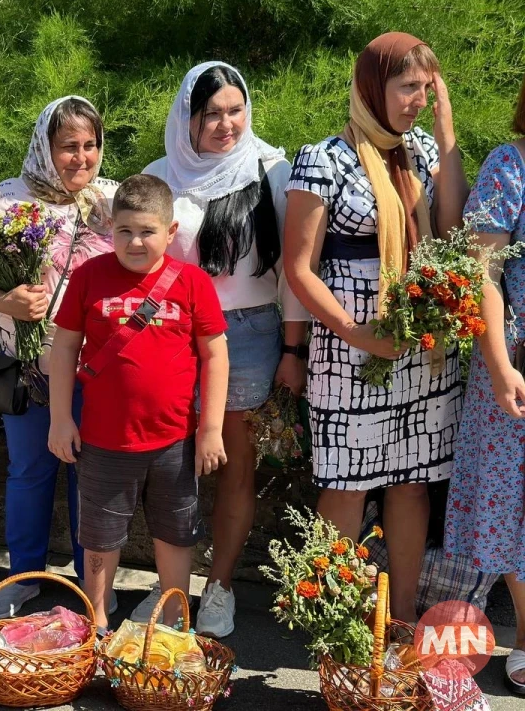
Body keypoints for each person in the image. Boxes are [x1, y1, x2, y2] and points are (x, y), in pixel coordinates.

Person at [283, 33, 468, 621]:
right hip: (350, 351)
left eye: (425, 86)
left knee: (412, 484)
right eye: (407, 85)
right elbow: (299, 268)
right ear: (372, 86)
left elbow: (451, 223)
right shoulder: (324, 159)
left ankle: (403, 617)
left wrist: (446, 136)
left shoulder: (419, 152)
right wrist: (357, 333)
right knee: (347, 485)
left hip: (419, 349)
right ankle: (334, 621)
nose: (418, 98)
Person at [141, 61, 308, 637]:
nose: (224, 123)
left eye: (234, 110)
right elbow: (143, 270)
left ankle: (220, 586)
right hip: (170, 338)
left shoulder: (271, 169)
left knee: (234, 469)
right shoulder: (160, 176)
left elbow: (292, 272)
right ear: (187, 116)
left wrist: (294, 349)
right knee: (171, 469)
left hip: (250, 338)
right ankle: (171, 591)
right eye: (210, 113)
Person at [0, 96, 120, 618]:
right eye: (68, 146)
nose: (81, 157)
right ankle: (23, 574)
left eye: (90, 145)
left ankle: (88, 579)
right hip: (24, 367)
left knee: (88, 473)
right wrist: (6, 301)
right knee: (28, 470)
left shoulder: (108, 202)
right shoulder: (8, 199)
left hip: (94, 370)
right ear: (46, 148)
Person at [49, 174, 229, 632]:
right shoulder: (89, 277)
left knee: (174, 533)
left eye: (147, 232)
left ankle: (174, 620)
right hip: (104, 440)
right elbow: (65, 348)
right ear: (111, 228)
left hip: (174, 440)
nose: (134, 242)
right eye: (124, 231)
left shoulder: (192, 282)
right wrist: (59, 419)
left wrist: (210, 429)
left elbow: (215, 354)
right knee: (99, 538)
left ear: (171, 233)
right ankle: (97, 622)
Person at [444, 72, 525, 695]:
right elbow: (482, 272)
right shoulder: (509, 166)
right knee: (512, 503)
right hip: (517, 362)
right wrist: (499, 365)